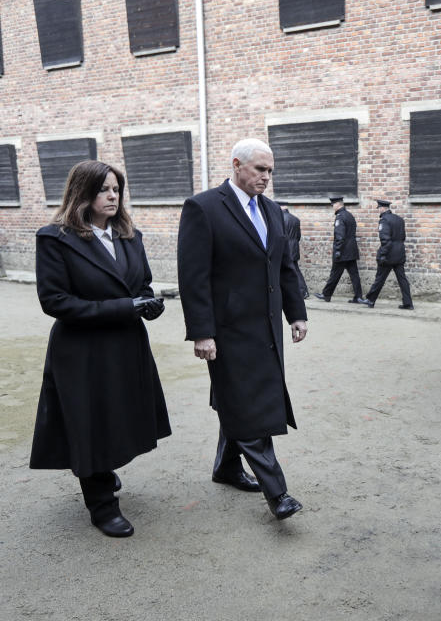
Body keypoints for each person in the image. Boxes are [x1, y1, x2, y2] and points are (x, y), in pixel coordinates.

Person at [31, 160, 169, 538]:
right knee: (89, 424)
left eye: (116, 189)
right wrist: (125, 307)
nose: (113, 196)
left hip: (125, 347)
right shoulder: (55, 238)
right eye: (104, 189)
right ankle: (102, 504)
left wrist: (148, 304)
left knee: (118, 419)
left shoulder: (129, 236)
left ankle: (105, 472)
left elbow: (141, 285)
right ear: (83, 193)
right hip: (82, 350)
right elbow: (55, 301)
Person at [177, 138, 308, 520]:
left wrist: (295, 313)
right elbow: (193, 277)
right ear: (237, 165)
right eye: (259, 170)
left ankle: (226, 466)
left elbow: (283, 266)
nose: (266, 177)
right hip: (227, 330)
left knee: (238, 397)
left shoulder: (271, 210)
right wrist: (202, 332)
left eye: (270, 171)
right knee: (249, 405)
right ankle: (277, 492)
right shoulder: (203, 207)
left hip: (266, 329)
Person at [316, 196, 368, 304]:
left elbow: (340, 235)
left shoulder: (340, 217)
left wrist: (338, 250)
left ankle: (326, 294)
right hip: (351, 250)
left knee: (335, 273)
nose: (333, 207)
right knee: (354, 275)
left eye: (333, 205)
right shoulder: (349, 215)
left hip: (343, 251)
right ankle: (358, 297)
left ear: (338, 204)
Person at [365, 199, 413, 309]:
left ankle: (370, 300)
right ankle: (408, 303)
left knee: (380, 278)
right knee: (402, 279)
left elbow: (385, 240)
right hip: (400, 252)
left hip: (389, 254)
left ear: (382, 208)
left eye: (379, 208)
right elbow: (403, 237)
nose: (379, 211)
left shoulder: (384, 220)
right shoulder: (400, 219)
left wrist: (382, 254)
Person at [281, 205, 309, 299]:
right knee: (295, 269)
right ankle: (302, 290)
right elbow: (298, 235)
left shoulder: (281, 218)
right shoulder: (295, 219)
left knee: (293, 270)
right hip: (294, 246)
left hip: (287, 247)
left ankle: (302, 291)